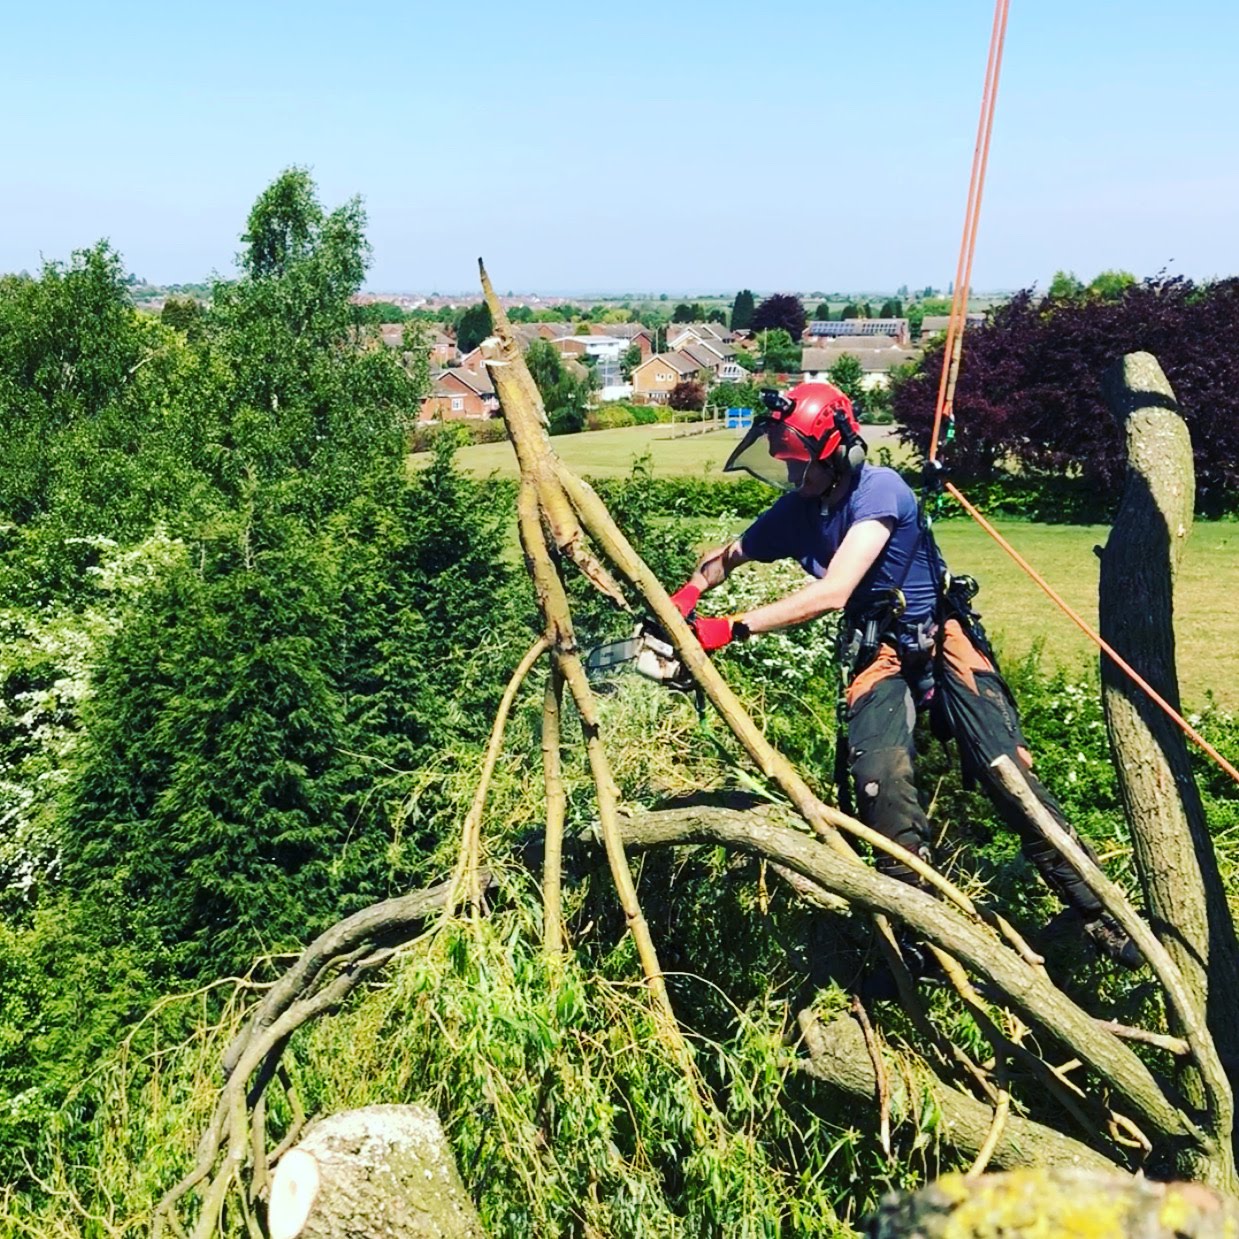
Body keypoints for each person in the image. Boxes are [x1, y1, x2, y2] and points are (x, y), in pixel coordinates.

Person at [666, 381, 1141, 970]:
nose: (793, 478)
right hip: (879, 650)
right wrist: (687, 594)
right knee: (880, 779)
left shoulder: (879, 491)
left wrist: (729, 628)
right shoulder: (798, 510)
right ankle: (915, 928)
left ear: (840, 453)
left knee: (1005, 769)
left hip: (941, 636)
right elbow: (728, 556)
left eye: (801, 465)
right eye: (786, 464)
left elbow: (835, 590)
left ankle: (1097, 912)